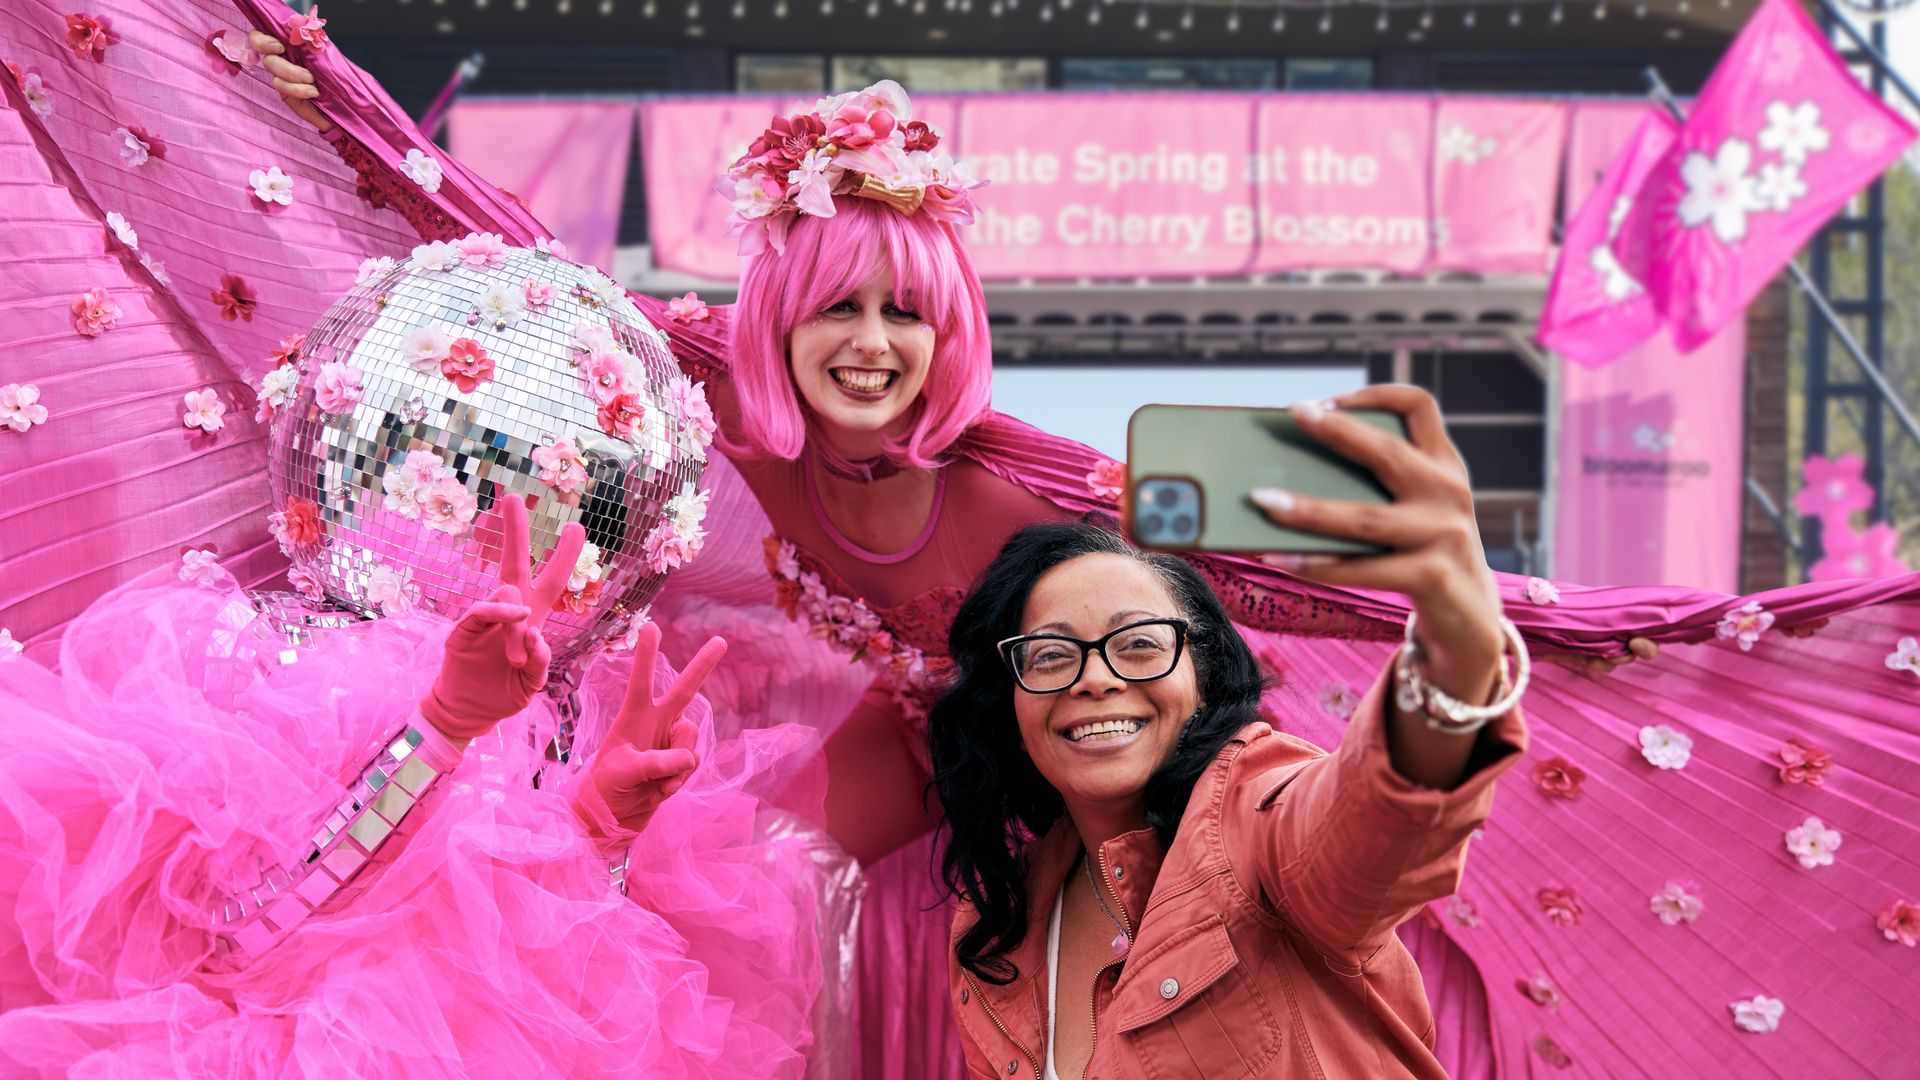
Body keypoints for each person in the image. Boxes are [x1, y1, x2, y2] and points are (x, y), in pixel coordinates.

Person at [2, 5, 1914, 1071]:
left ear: (953, 330)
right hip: (660, 864)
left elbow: (1265, 580)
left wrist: (1471, 607)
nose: (868, 347)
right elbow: (460, 284)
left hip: (946, 884)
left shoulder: (1056, 502)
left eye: (904, 314)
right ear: (772, 320)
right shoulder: (675, 417)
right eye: (835, 308)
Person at [0, 494, 819, 1078]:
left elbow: (573, 999)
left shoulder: (577, 708)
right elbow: (236, 940)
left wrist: (600, 843)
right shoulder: (287, 665)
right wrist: (438, 730)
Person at [931, 497, 1523, 1078]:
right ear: (1009, 701)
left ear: (1205, 680)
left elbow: (1365, 821)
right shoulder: (993, 930)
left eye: (1139, 644)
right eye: (1051, 655)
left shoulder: (1256, 815)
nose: (1095, 678)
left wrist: (1453, 653)